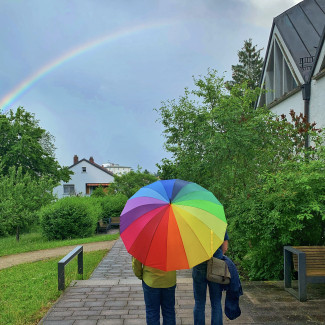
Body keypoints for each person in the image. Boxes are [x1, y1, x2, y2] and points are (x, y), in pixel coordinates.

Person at [192, 231, 229, 325]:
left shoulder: (194, 222)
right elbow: (225, 247)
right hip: (216, 265)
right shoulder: (218, 222)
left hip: (199, 263)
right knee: (216, 302)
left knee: (199, 302)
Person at [132, 257, 176, 325]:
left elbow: (136, 260)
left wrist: (140, 275)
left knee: (152, 312)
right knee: (169, 311)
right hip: (169, 279)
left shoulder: (144, 245)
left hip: (151, 280)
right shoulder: (174, 245)